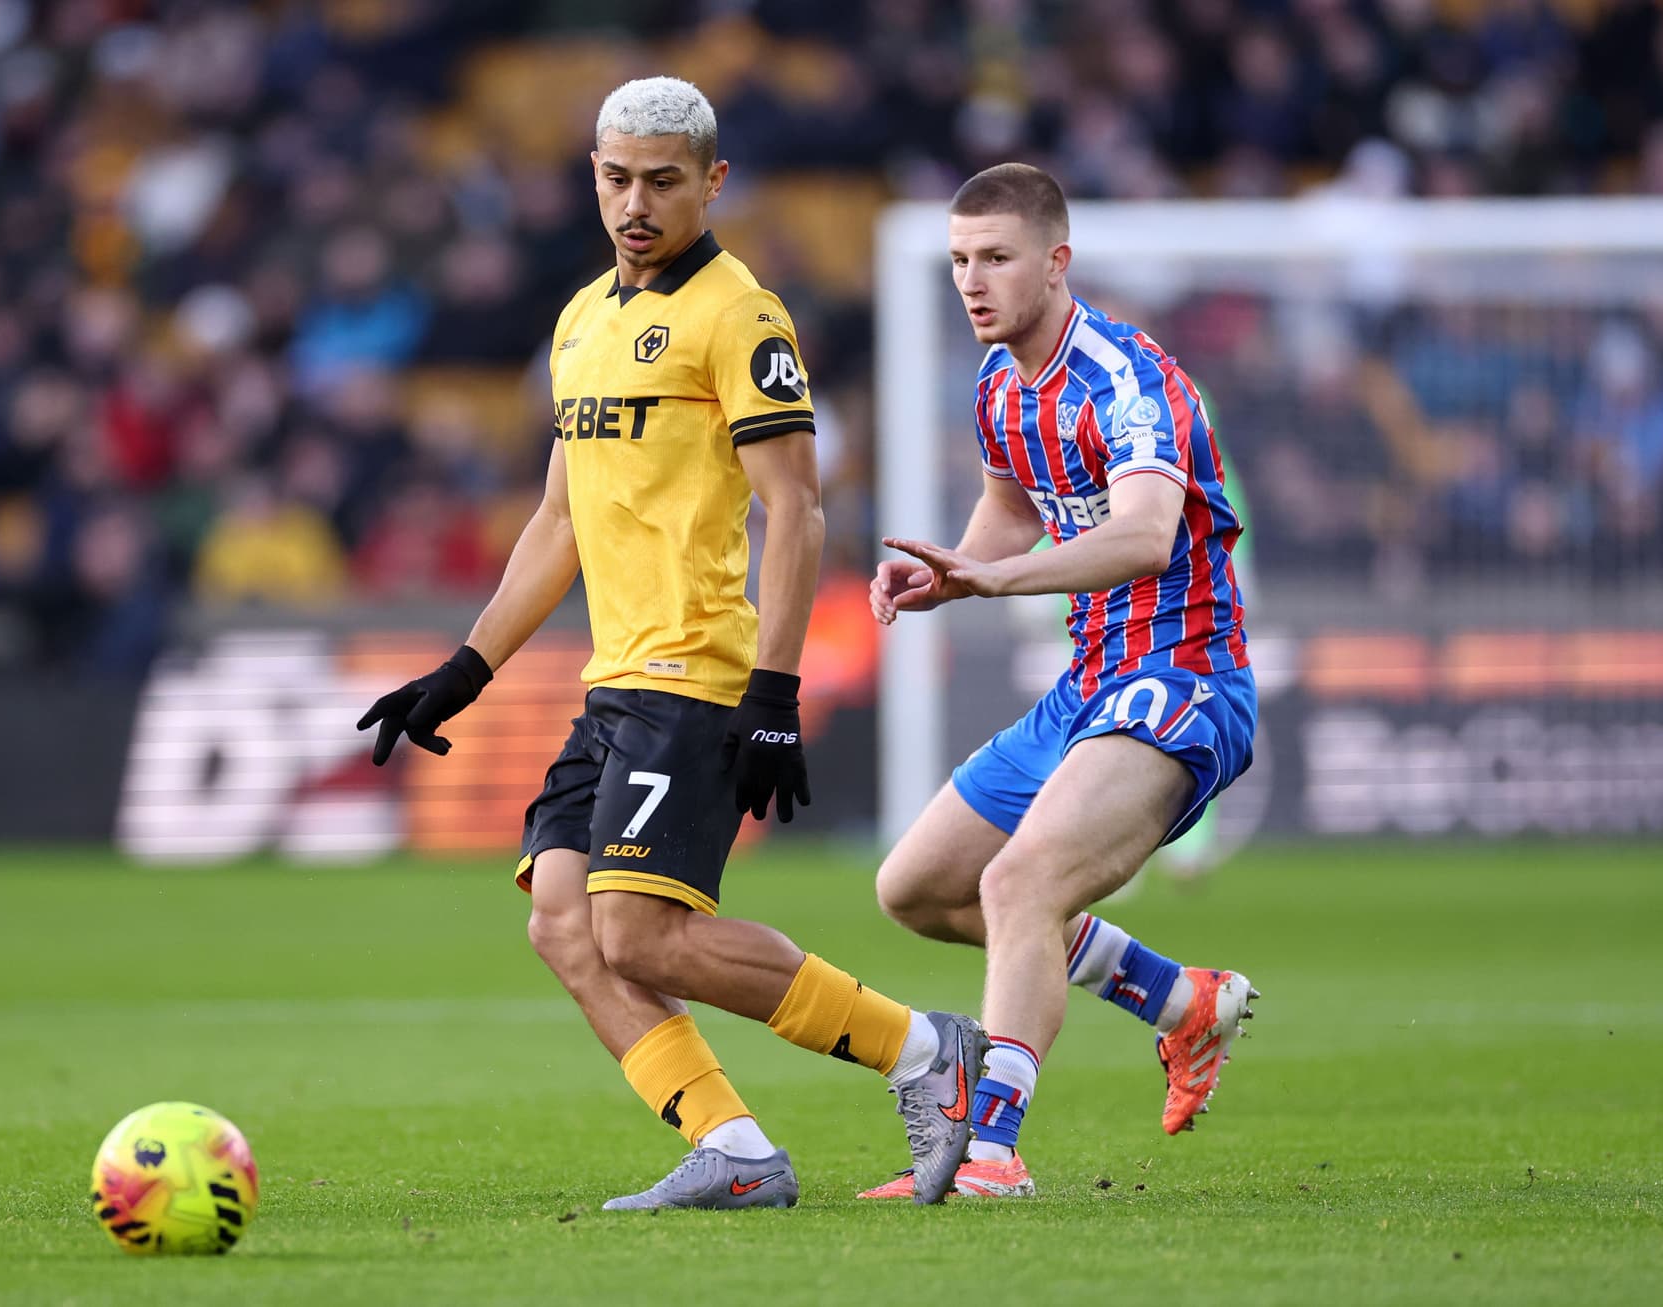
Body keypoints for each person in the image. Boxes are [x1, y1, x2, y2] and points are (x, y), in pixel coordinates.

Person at [357, 77, 983, 1209]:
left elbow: (796, 507)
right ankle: (734, 1148)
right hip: (615, 679)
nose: (635, 203)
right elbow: (560, 518)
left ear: (712, 181)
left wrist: (775, 693)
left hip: (698, 673)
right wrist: (467, 668)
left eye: (661, 180)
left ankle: (930, 1053)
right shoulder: (582, 320)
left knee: (637, 931)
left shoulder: (739, 316)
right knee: (563, 918)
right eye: (615, 178)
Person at [858, 164, 1259, 1200]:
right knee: (917, 886)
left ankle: (989, 1152)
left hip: (1179, 679)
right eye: (958, 261)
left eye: (995, 258)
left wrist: (1001, 578)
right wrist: (956, 566)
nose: (972, 281)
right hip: (1088, 685)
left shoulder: (1127, 376)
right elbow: (1009, 508)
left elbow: (1144, 534)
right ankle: (1179, 998)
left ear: (1056, 261)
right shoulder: (1001, 382)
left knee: (1015, 884)